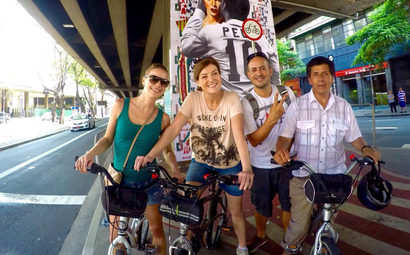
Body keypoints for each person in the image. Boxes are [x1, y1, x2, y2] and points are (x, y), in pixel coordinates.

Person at [134, 57, 254, 255]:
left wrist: (247, 168)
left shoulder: (232, 98)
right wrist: (149, 156)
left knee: (236, 211)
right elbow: (172, 130)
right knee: (188, 206)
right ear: (198, 82)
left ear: (220, 75)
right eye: (204, 76)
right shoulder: (193, 98)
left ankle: (242, 247)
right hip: (201, 162)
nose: (211, 79)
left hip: (230, 163)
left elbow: (239, 135)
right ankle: (186, 242)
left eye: (215, 73)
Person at [273, 56, 381, 255]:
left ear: (332, 77)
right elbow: (284, 137)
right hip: (304, 176)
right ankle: (290, 248)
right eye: (316, 74)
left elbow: (354, 136)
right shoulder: (298, 106)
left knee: (329, 221)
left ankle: (325, 246)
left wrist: (366, 149)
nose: (321, 78)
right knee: (299, 227)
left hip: (334, 175)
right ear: (310, 79)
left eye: (325, 74)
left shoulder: (343, 106)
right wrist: (281, 150)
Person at [75, 63, 182, 255]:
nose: (158, 84)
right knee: (115, 238)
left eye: (163, 82)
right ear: (144, 80)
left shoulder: (163, 119)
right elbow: (107, 138)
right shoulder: (120, 105)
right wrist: (89, 154)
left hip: (148, 183)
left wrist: (174, 170)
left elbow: (167, 152)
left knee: (157, 231)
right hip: (119, 182)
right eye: (154, 79)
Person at [241, 52, 296, 253]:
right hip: (261, 166)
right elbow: (254, 140)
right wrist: (272, 118)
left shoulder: (287, 93)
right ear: (248, 74)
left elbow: (295, 126)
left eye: (263, 68)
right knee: (261, 206)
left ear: (270, 71)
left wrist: (286, 150)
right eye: (254, 69)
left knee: (289, 205)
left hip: (287, 163)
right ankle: (261, 235)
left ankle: (289, 241)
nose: (259, 73)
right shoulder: (246, 102)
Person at [181, 0, 280, 97]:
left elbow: (186, 47)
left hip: (229, 107)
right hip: (258, 105)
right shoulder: (261, 38)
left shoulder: (211, 31)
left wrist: (199, 12)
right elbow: (275, 75)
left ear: (223, 6)